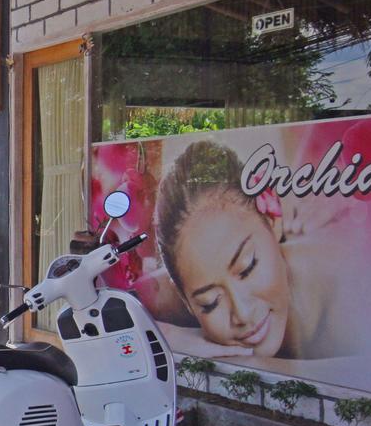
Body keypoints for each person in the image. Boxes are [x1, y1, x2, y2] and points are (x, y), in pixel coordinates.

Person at [148, 140, 353, 361]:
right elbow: (112, 304)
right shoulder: (190, 275)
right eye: (211, 302)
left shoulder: (354, 296)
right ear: (185, 301)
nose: (242, 313)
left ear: (273, 220)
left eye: (248, 268)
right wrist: (172, 338)